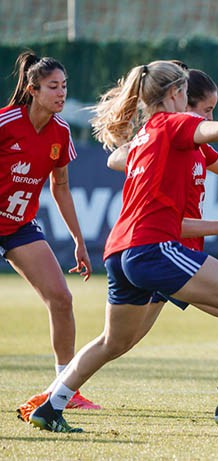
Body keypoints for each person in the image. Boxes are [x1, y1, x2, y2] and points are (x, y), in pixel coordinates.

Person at [25, 60, 218, 433]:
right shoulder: (174, 126)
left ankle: (51, 404)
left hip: (124, 251)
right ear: (178, 95)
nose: (208, 116)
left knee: (116, 341)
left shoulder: (148, 137)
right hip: (157, 249)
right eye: (204, 108)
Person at [1, 51, 100, 414]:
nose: (61, 93)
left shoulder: (60, 131)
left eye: (64, 86)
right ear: (33, 89)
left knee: (61, 299)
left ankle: (65, 389)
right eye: (53, 87)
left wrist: (78, 240)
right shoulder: (6, 122)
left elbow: (60, 187)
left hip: (18, 226)